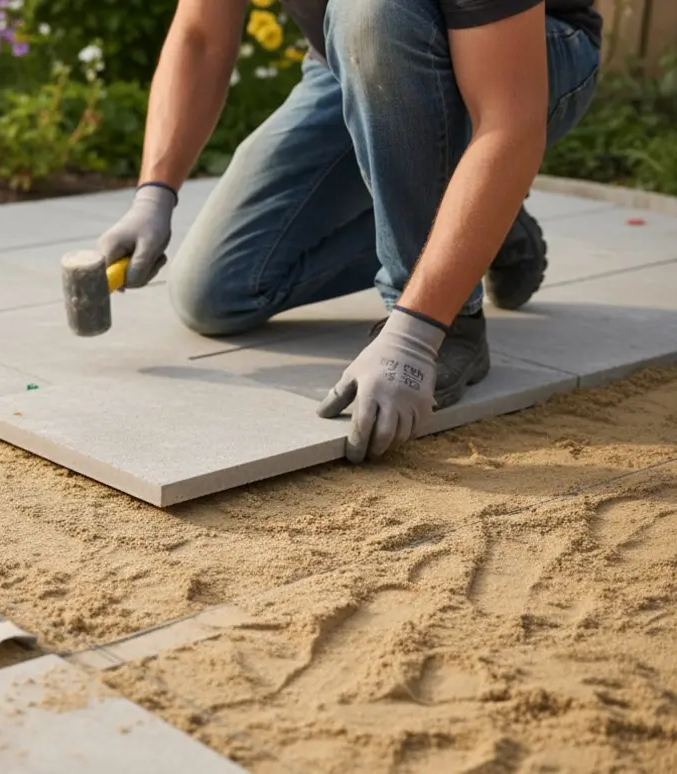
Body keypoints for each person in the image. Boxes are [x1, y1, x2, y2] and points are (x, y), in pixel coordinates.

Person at [96, 0, 602, 464]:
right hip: (356, 59)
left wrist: (417, 336)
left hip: (526, 57)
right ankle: (476, 215)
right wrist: (154, 196)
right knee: (216, 289)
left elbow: (509, 121)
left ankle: (456, 317)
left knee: (372, 10)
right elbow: (202, 35)